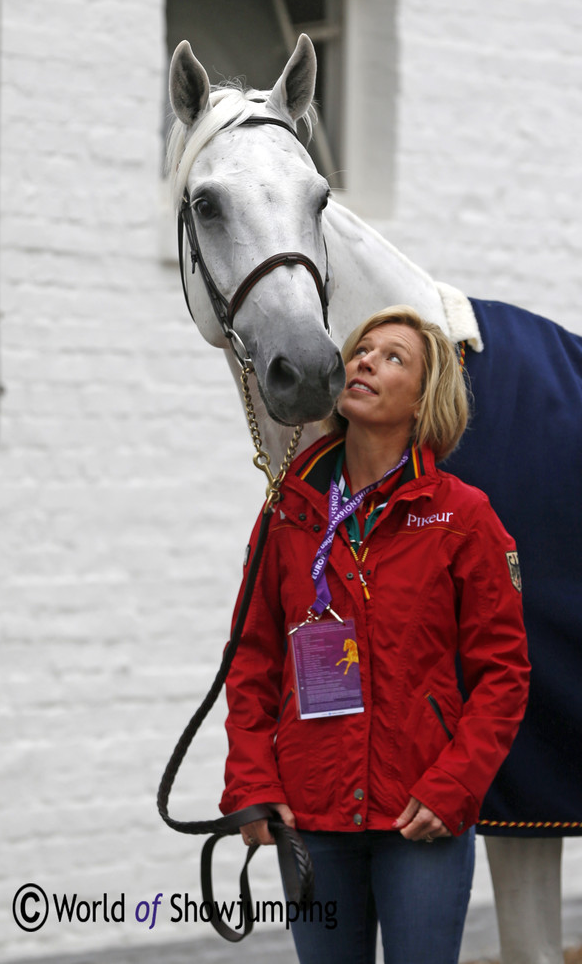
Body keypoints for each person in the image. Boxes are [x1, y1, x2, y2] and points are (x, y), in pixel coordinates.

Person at [220, 305, 530, 964]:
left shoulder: (462, 516)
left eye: (393, 357)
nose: (365, 360)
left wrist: (454, 785)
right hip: (309, 814)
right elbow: (251, 659)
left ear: (424, 399)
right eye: (361, 349)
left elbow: (503, 673)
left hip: (419, 815)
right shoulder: (285, 512)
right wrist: (250, 777)